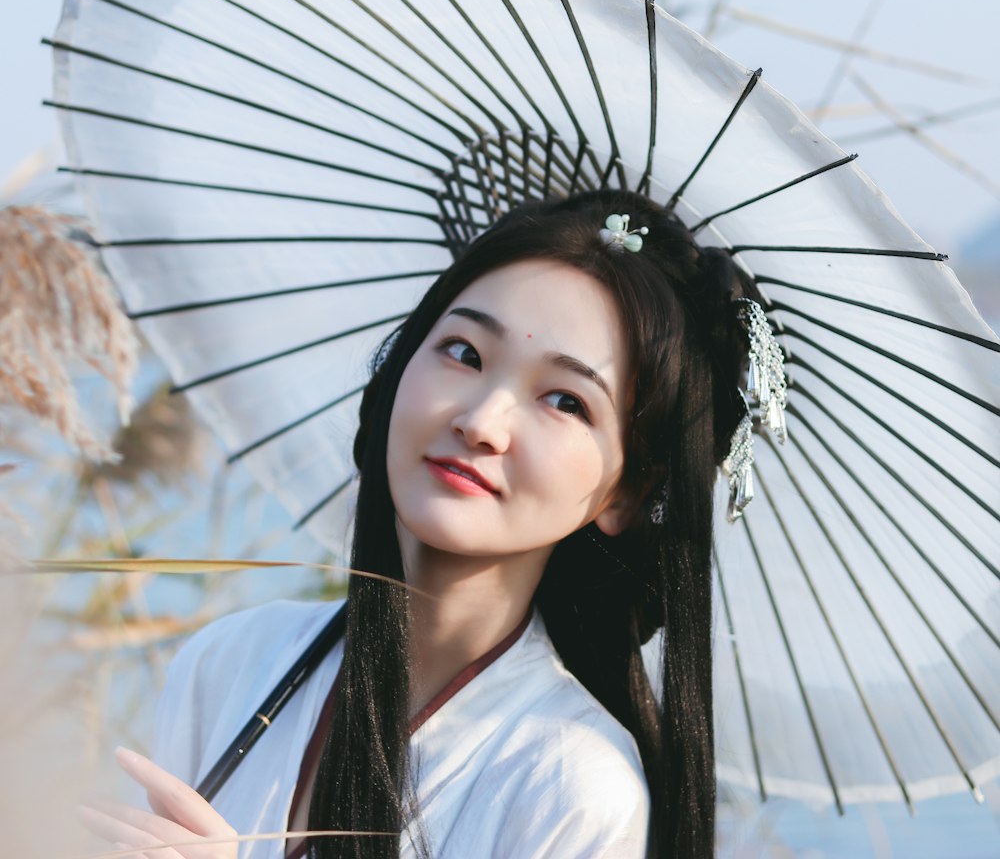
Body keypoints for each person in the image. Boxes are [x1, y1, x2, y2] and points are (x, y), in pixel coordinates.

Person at [80, 189, 762, 859]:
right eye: (465, 353)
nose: (481, 421)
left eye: (565, 401)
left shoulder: (572, 789)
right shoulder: (230, 662)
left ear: (627, 494)